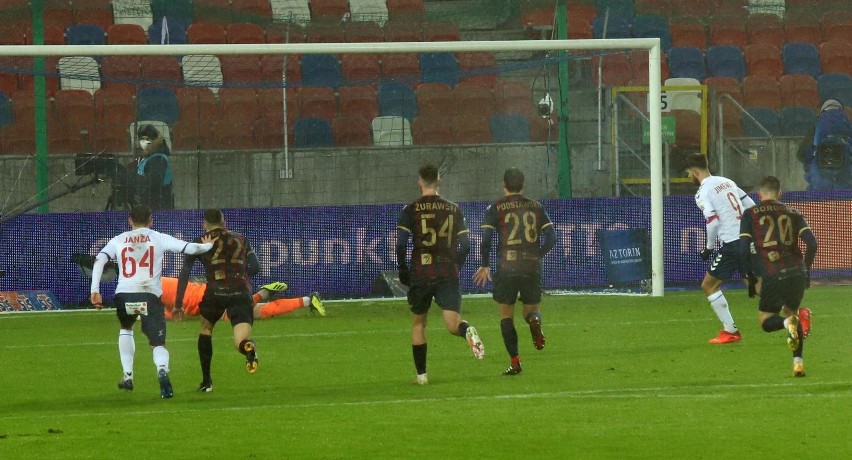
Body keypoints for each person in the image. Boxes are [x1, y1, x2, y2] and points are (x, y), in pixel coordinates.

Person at [89, 204, 215, 398]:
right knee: (157, 345)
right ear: (151, 220)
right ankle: (162, 369)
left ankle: (128, 376)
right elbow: (190, 248)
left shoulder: (118, 240)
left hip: (124, 294)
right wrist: (208, 245)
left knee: (126, 328)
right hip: (149, 295)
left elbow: (99, 259)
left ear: (130, 220)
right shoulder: (158, 237)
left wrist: (95, 290)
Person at [396, 164, 484, 385]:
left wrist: (403, 270)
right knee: (453, 323)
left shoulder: (411, 209)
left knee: (419, 323)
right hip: (446, 271)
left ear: (419, 182)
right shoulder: (453, 209)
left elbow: (400, 244)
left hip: (421, 271)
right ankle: (467, 331)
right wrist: (456, 265)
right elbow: (465, 244)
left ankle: (422, 376)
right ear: (439, 181)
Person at [472, 168, 557, 376]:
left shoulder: (496, 208)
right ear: (523, 184)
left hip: (506, 267)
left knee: (506, 315)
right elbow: (552, 236)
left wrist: (485, 264)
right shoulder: (536, 207)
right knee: (530, 311)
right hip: (531, 266)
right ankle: (534, 321)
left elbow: (485, 239)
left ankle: (515, 361)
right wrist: (538, 254)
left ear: (504, 185)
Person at [175, 209, 261, 392]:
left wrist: (178, 303)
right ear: (224, 223)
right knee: (241, 338)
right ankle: (248, 348)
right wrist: (240, 276)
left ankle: (206, 382)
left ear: (204, 225)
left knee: (206, 328)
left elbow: (184, 274)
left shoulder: (199, 241)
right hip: (240, 292)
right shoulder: (241, 239)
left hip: (215, 292)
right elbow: (256, 267)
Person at [739, 176, 817, 376]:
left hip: (773, 272)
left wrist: (748, 275)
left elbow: (742, 249)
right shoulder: (793, 212)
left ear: (759, 194)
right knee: (793, 313)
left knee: (767, 320)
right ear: (780, 194)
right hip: (797, 270)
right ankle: (798, 363)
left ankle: (785, 323)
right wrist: (806, 270)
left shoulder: (750, 214)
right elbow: (812, 244)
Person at [683, 152, 756, 344]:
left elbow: (713, 222)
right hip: (748, 240)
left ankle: (730, 331)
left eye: (688, 173)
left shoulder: (702, 192)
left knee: (709, 285)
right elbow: (750, 205)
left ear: (694, 171)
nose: (689, 177)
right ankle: (795, 315)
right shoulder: (727, 181)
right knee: (755, 286)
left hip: (732, 244)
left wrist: (708, 248)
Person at [161, 277, 326, 320]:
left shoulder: (150, 289)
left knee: (253, 313)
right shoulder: (159, 282)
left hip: (203, 301)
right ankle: (307, 300)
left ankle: (262, 295)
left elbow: (164, 313)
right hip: (204, 291)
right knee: (248, 311)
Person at [796, 99, 852, 191]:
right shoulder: (848, 128)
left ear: (822, 111)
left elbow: (801, 154)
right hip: (845, 186)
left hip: (820, 184)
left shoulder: (815, 128)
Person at [131, 124, 174, 210]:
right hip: (146, 206)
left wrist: (133, 180)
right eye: (141, 139)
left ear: (155, 140)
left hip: (159, 207)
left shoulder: (159, 158)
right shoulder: (143, 157)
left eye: (147, 139)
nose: (144, 142)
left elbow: (153, 183)